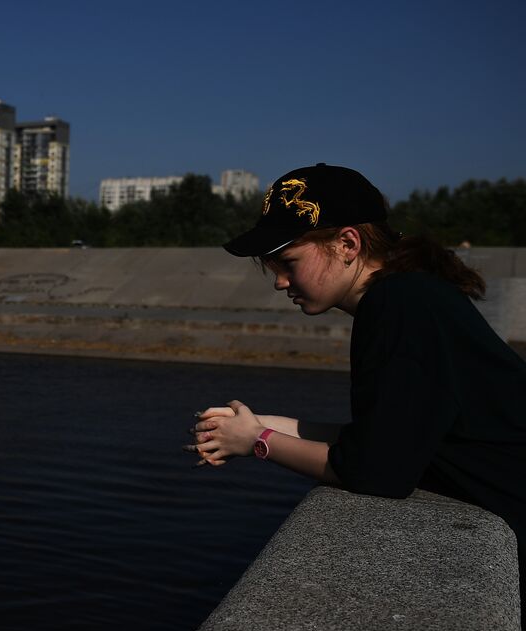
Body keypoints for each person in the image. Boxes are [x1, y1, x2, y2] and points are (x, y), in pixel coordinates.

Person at [185, 163, 526, 582]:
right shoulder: (412, 294)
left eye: (288, 262)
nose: (279, 282)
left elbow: (375, 471)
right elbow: (385, 437)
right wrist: (257, 423)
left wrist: (259, 441)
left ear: (348, 243)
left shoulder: (397, 306)